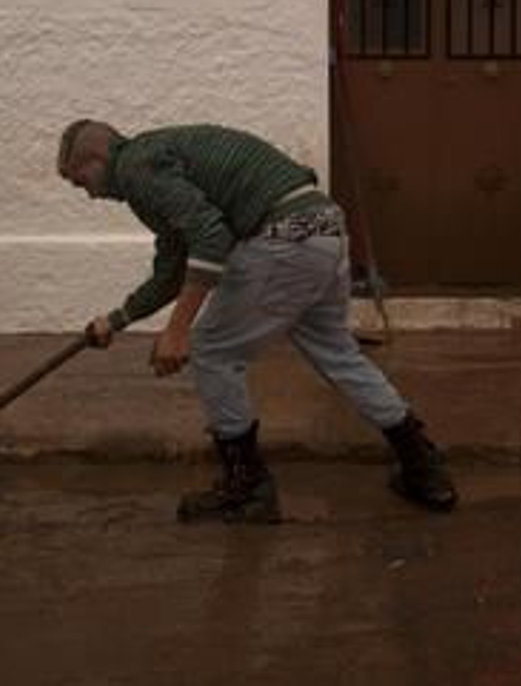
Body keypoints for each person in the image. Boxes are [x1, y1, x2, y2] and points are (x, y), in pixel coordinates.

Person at [57, 120, 457, 523]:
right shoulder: (156, 162)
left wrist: (177, 331)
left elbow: (211, 239)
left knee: (212, 352)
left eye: (80, 181)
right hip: (325, 229)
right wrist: (117, 319)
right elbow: (174, 265)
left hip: (283, 237)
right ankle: (423, 468)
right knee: (338, 353)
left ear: (98, 157)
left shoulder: (134, 167)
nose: (88, 194)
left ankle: (247, 489)